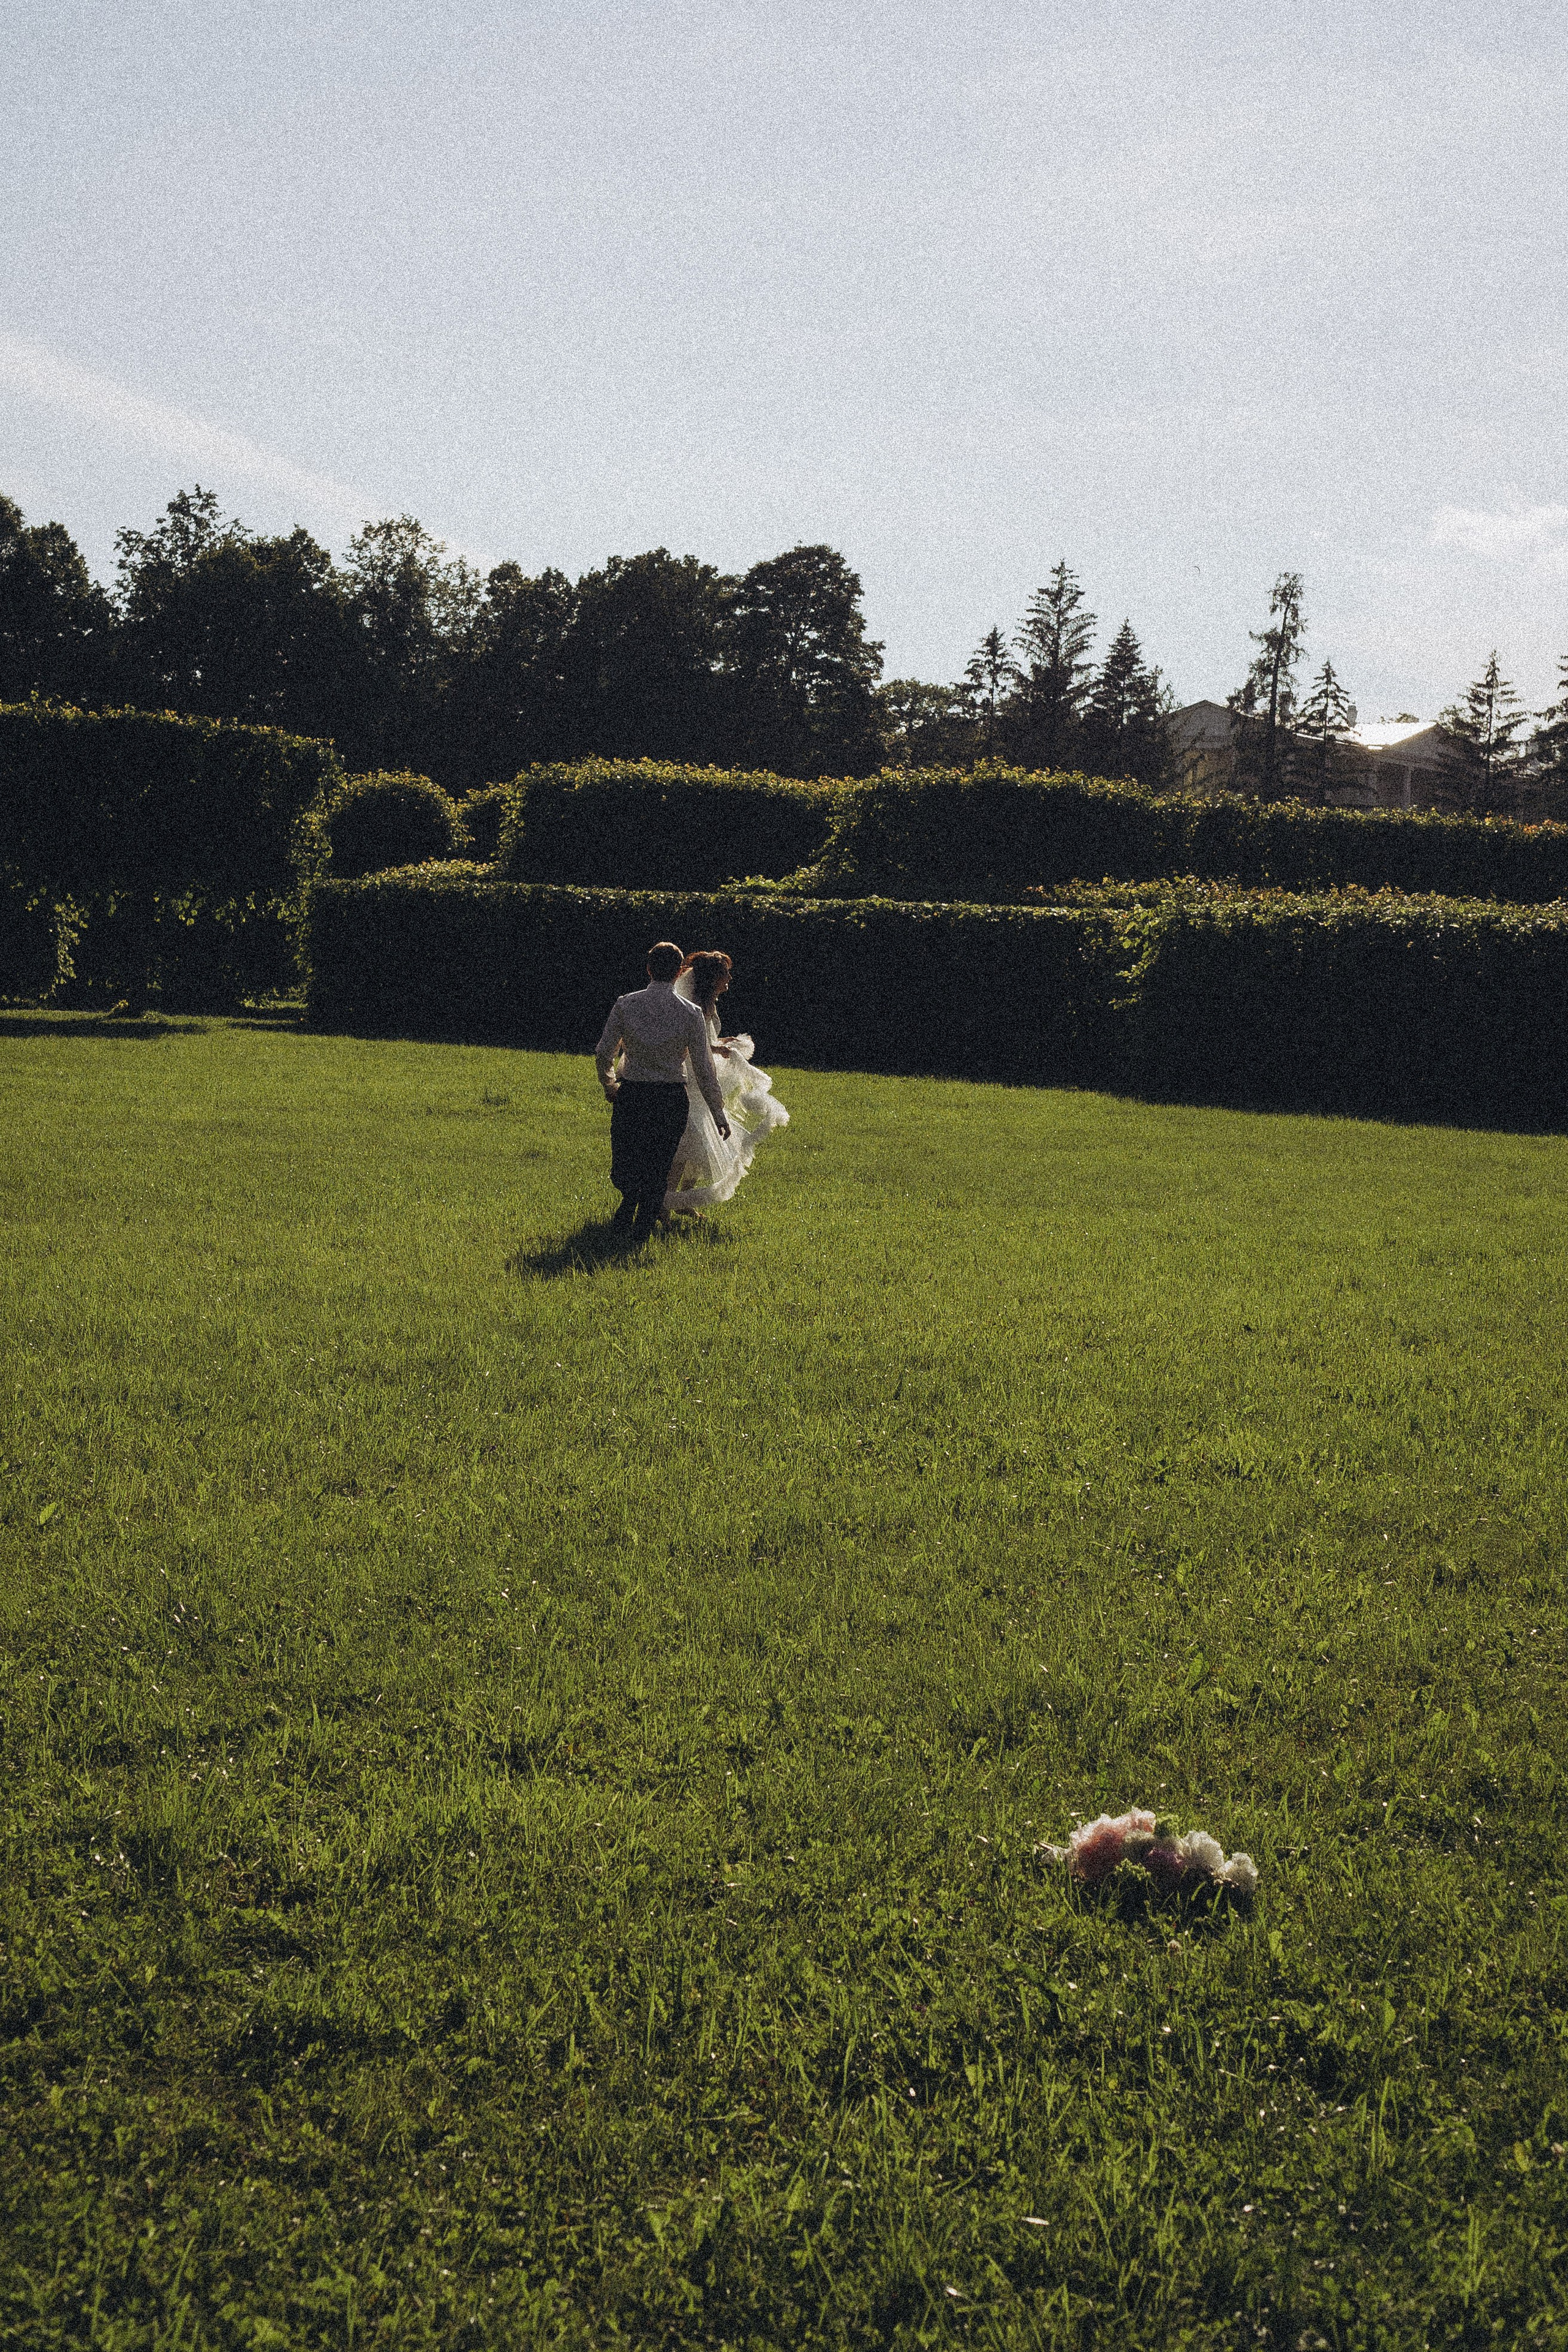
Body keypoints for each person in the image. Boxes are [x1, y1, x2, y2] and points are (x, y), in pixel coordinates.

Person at [594, 941, 729, 1240]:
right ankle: (643, 1220)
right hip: (670, 1097)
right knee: (661, 1159)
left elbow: (605, 1052)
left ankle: (632, 1202)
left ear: (648, 969)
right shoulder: (691, 1012)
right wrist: (718, 1111)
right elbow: (704, 1068)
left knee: (628, 1155)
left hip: (632, 1093)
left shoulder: (625, 1004)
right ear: (679, 971)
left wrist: (610, 1083)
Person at [663, 949, 790, 1219]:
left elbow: (704, 1039)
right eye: (725, 973)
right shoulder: (691, 1004)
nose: (729, 977)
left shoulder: (709, 1004)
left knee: (704, 1144)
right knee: (690, 1142)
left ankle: (685, 1197)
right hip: (693, 1078)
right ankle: (666, 1203)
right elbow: (686, 1043)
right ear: (712, 979)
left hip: (705, 1075)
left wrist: (721, 1044)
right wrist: (715, 1049)